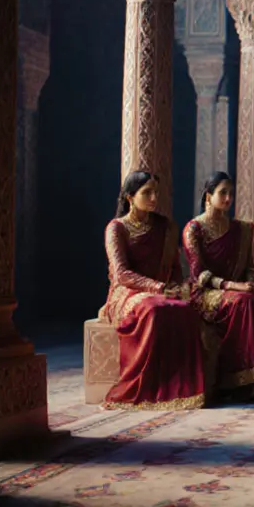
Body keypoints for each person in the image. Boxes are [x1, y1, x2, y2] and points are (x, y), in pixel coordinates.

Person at [183, 172, 254, 403]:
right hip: (206, 292)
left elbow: (249, 266)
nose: (228, 198)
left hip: (238, 289)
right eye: (222, 193)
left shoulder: (242, 229)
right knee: (243, 303)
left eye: (231, 193)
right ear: (208, 196)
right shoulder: (194, 229)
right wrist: (232, 286)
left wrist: (251, 283)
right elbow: (199, 275)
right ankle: (241, 382)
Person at [100, 171, 208, 410]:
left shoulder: (166, 227)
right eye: (146, 192)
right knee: (153, 309)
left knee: (187, 309)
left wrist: (179, 289)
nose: (153, 198)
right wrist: (159, 287)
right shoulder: (116, 228)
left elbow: (174, 267)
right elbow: (122, 274)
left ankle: (183, 389)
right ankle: (145, 387)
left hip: (160, 290)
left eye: (155, 192)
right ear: (130, 197)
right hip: (125, 292)